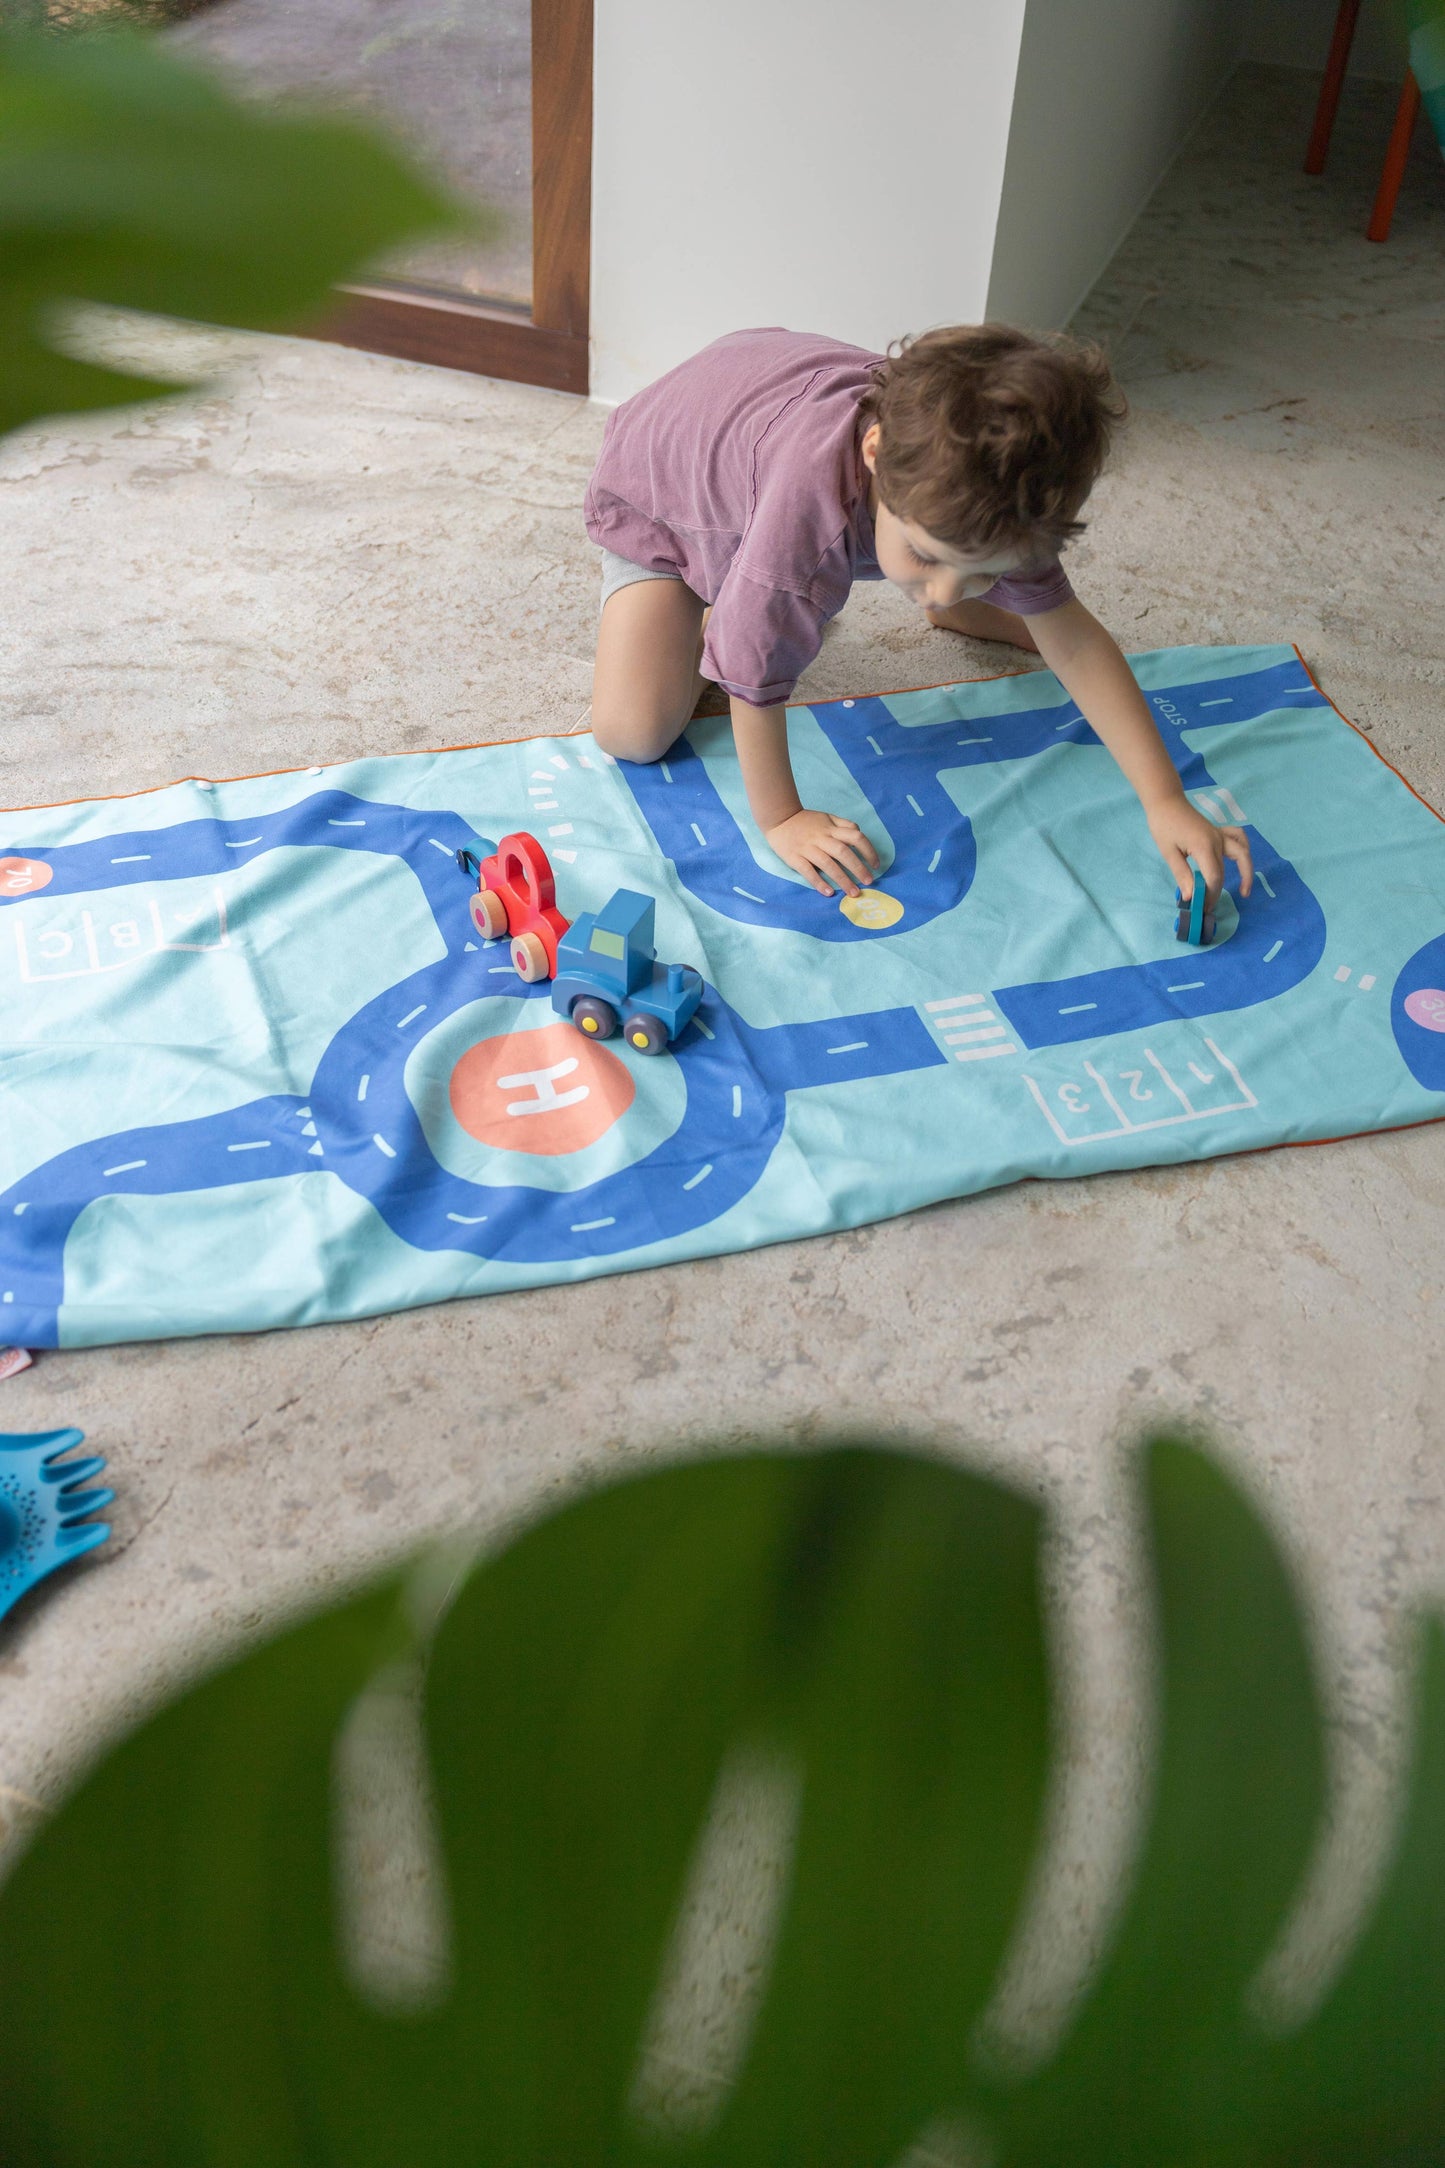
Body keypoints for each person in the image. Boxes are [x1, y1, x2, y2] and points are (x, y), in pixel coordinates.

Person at [586, 324, 1253, 907]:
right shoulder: (798, 536)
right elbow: (755, 671)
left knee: (1032, 614)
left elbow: (1077, 644)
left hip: (757, 400)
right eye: (927, 557)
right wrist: (782, 817)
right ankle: (714, 610)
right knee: (633, 732)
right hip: (664, 485)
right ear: (874, 453)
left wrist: (1165, 799)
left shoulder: (990, 495)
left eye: (984, 571)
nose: (943, 590)